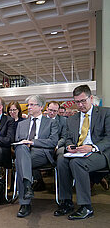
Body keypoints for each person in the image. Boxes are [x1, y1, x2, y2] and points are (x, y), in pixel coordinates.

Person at [54, 85, 110, 220]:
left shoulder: (105, 113)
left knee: (77, 163)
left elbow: (109, 137)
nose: (80, 105)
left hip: (99, 153)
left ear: (91, 98)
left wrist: (92, 147)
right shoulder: (72, 119)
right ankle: (66, 201)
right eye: (77, 102)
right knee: (61, 160)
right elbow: (68, 138)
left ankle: (86, 207)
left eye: (83, 101)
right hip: (78, 152)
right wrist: (69, 147)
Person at [14, 95, 59, 218]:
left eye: (32, 104)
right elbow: (17, 140)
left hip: (42, 153)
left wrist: (33, 142)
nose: (29, 107)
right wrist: (25, 144)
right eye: (28, 105)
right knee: (21, 151)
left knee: (20, 161)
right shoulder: (21, 124)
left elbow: (53, 142)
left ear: (41, 107)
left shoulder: (51, 122)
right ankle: (27, 188)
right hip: (25, 152)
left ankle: (25, 202)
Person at [33, 101, 67, 191]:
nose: (52, 113)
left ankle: (61, 185)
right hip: (43, 147)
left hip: (58, 146)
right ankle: (39, 182)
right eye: (50, 110)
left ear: (58, 111)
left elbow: (64, 137)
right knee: (30, 154)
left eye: (55, 111)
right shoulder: (40, 120)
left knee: (62, 156)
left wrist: (56, 145)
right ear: (46, 109)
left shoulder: (63, 121)